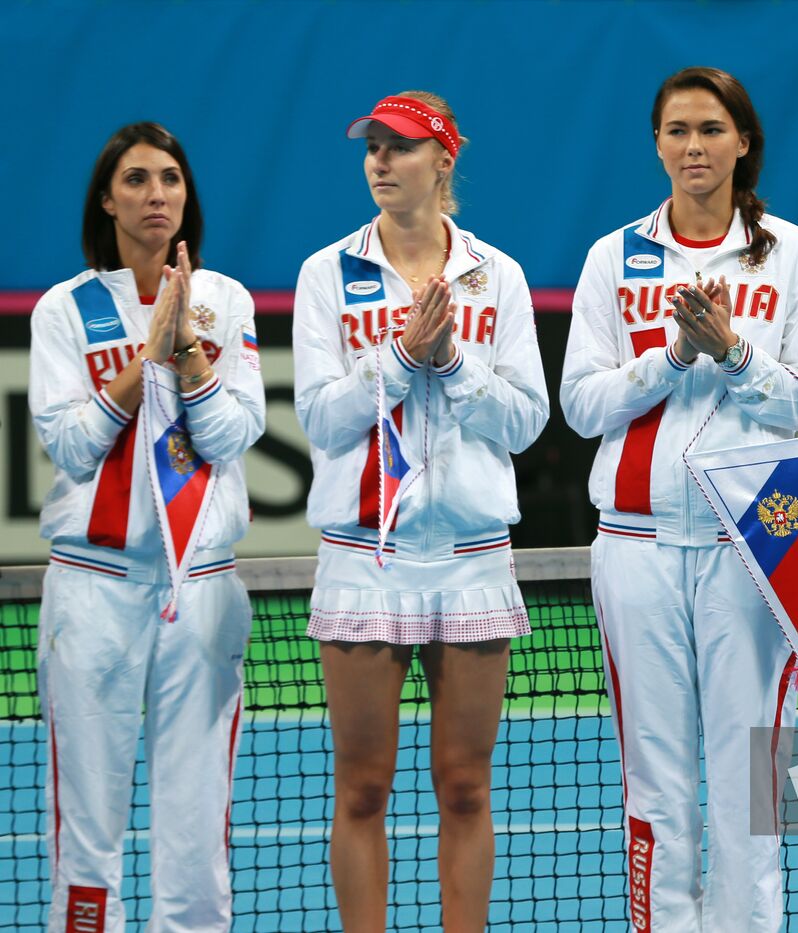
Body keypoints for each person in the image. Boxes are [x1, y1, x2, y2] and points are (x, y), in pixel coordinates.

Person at [560, 66, 798, 931]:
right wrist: (674, 357)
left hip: (753, 547)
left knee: (752, 778)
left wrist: (735, 351)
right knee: (657, 777)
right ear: (657, 144)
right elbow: (582, 405)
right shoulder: (615, 255)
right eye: (677, 130)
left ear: (743, 141)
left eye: (711, 130)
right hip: (635, 546)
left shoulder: (790, 252)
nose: (694, 147)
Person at [293, 91, 547, 932]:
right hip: (366, 557)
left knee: (466, 785)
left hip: (472, 559)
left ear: (444, 159)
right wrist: (402, 358)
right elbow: (323, 422)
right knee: (362, 785)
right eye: (371, 146)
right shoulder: (326, 273)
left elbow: (525, 421)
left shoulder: (496, 275)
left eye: (399, 147)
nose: (379, 161)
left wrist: (455, 362)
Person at [29, 122, 265, 932]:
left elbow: (235, 436)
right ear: (107, 198)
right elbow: (68, 443)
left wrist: (190, 355)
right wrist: (145, 359)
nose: (156, 193)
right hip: (94, 590)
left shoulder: (226, 301)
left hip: (202, 588)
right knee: (88, 828)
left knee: (198, 828)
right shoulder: (65, 309)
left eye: (169, 178)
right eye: (135, 180)